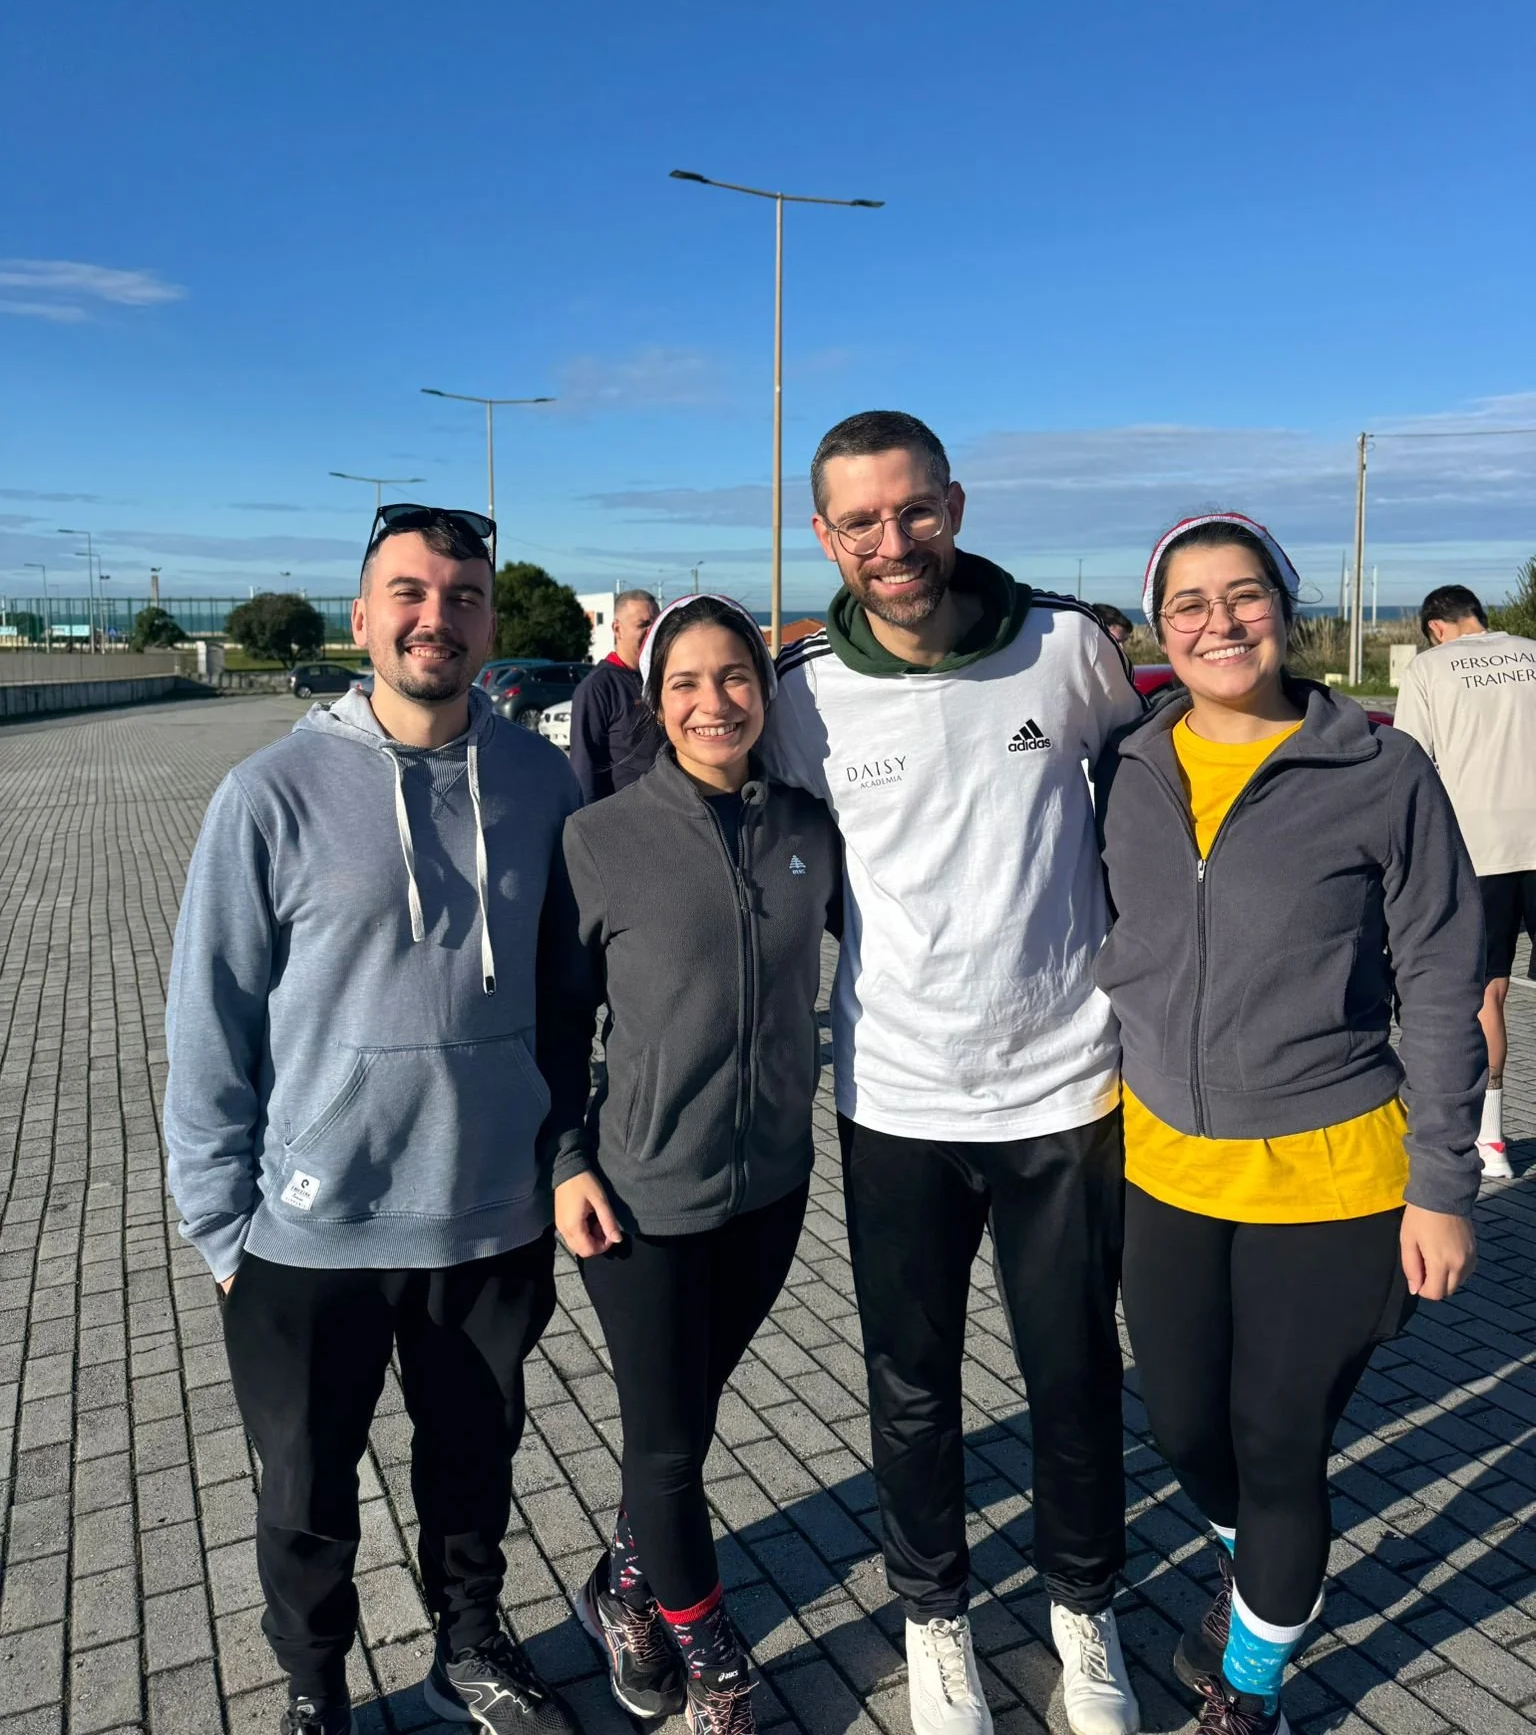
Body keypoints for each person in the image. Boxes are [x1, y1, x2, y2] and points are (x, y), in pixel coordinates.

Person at [164, 505, 588, 1735]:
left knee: (475, 1465)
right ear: (363, 616)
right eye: (408, 592)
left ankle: (470, 1646)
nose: (434, 617)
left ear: (489, 622)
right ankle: (314, 1685)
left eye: (462, 597)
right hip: (308, 1232)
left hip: (489, 1214)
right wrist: (222, 1232)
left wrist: (559, 1151)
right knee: (304, 1494)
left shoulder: (538, 777)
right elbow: (209, 1021)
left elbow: (569, 995)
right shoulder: (270, 793)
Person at [762, 411, 1144, 1735]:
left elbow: (1148, 792)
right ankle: (935, 1622)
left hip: (1066, 1092)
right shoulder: (803, 698)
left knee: (1074, 1371)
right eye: (862, 521)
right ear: (825, 535)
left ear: (958, 504)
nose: (893, 542)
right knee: (911, 1386)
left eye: (914, 510)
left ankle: (1085, 1612)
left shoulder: (1068, 649)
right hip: (899, 1099)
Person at [1095, 515, 1484, 1735]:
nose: (1219, 622)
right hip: (1163, 1163)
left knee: (1277, 1444)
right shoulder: (1127, 761)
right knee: (1178, 1423)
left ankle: (1247, 1687)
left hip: (1333, 1174)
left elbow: (1439, 979)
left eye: (1245, 594)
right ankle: (1258, 1569)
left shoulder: (1382, 769)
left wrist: (1444, 1183)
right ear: (1159, 627)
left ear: (1288, 609)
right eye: (1190, 604)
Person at [546, 595, 841, 1735]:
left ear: (766, 694)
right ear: (651, 695)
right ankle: (713, 1658)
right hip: (640, 1202)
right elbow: (556, 1024)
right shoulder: (602, 837)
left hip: (772, 1189)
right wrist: (567, 1157)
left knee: (690, 1414)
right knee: (667, 1445)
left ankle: (622, 1583)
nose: (713, 700)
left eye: (735, 678)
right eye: (686, 681)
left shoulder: (809, 825)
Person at [1394, 583, 1536, 1180]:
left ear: (1436, 627)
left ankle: (1491, 1142)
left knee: (1489, 993)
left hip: (1480, 849)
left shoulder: (1430, 669)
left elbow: (1409, 761)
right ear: (1478, 615)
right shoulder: (1531, 651)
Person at [570, 588, 663, 802]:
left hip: (672, 814)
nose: (652, 633)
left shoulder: (662, 679)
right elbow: (584, 767)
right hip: (626, 819)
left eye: (655, 625)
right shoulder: (597, 688)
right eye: (643, 625)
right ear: (617, 629)